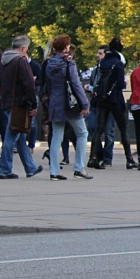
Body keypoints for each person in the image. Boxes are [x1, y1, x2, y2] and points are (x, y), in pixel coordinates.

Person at [43, 36, 92, 181]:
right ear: (65, 47)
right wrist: (84, 104)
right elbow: (76, 85)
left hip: (55, 103)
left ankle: (54, 171)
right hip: (69, 104)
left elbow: (46, 85)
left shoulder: (49, 63)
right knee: (82, 133)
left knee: (56, 136)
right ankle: (79, 168)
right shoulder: (69, 63)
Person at [0, 36, 42, 180]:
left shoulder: (4, 62)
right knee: (12, 136)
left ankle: (30, 167)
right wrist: (33, 103)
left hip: (7, 102)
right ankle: (5, 169)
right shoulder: (21, 61)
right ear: (23, 48)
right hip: (19, 103)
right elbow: (28, 83)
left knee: (19, 135)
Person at [88, 38, 134, 171]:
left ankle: (92, 158)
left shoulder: (103, 63)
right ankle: (129, 159)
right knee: (123, 128)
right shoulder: (118, 64)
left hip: (102, 99)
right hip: (115, 99)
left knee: (99, 129)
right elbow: (120, 84)